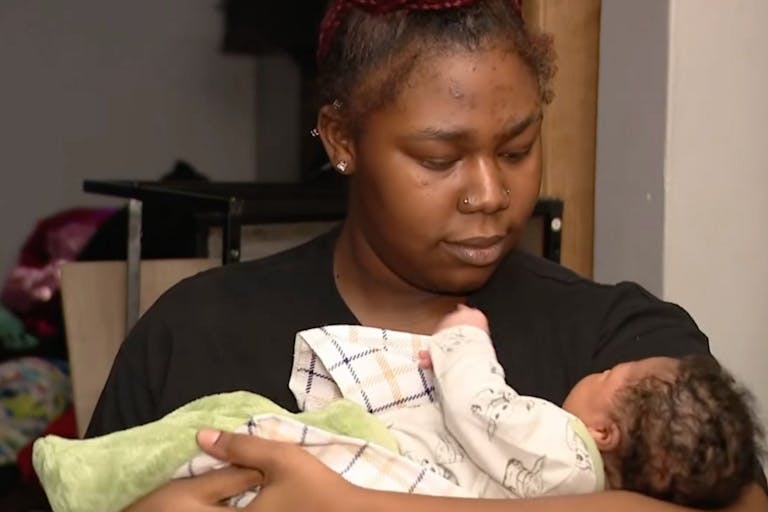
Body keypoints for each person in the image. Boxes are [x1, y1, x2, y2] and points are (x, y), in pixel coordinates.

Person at [86, 1, 768, 510]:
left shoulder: (621, 345)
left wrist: (352, 506)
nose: (490, 193)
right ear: (341, 140)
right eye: (439, 158)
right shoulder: (199, 330)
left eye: (517, 150)